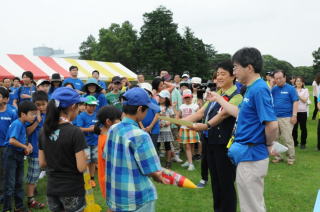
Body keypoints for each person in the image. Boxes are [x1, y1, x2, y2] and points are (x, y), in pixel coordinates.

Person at [207, 47, 278, 212]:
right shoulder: (251, 88)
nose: (234, 71)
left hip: (252, 156)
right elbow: (240, 113)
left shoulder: (259, 89)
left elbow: (272, 125)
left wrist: (268, 145)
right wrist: (218, 98)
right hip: (246, 156)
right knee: (251, 204)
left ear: (250, 67)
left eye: (236, 67)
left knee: (251, 207)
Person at [188, 60, 243, 210]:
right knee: (216, 183)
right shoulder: (216, 94)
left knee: (226, 183)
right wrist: (178, 121)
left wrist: (205, 125)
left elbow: (223, 115)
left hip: (224, 145)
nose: (219, 77)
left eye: (223, 74)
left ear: (233, 77)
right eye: (218, 74)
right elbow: (200, 112)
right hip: (210, 142)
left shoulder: (237, 96)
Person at [104, 87, 165, 212]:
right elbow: (152, 170)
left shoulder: (113, 129)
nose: (147, 113)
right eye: (146, 110)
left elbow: (106, 155)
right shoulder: (141, 135)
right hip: (137, 199)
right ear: (139, 109)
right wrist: (158, 176)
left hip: (116, 196)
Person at [38, 87, 88, 212]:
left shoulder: (43, 131)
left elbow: (42, 163)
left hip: (52, 188)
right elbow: (82, 167)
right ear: (73, 107)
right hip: (72, 189)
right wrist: (86, 157)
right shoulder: (75, 132)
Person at [2, 101, 37, 212]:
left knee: (19, 182)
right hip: (11, 155)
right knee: (10, 185)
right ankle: (7, 209)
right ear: (23, 114)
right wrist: (24, 147)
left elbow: (21, 139)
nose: (34, 116)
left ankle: (19, 207)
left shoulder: (23, 124)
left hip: (19, 155)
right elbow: (12, 141)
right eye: (32, 114)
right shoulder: (17, 124)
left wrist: (27, 145)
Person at [25, 91, 48, 209]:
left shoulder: (49, 115)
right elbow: (27, 132)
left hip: (47, 150)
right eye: (38, 105)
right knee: (32, 174)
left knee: (40, 172)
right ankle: (30, 198)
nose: (41, 107)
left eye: (43, 104)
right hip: (35, 151)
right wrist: (37, 122)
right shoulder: (31, 117)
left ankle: (34, 189)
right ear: (33, 104)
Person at [93, 106, 122, 198]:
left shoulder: (103, 135)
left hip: (106, 178)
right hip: (112, 180)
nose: (121, 123)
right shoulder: (109, 139)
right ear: (108, 122)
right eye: (119, 120)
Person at [271, 70, 298, 165]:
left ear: (285, 78)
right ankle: (278, 156)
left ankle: (291, 158)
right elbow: (267, 97)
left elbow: (295, 102)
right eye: (276, 78)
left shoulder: (290, 89)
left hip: (287, 117)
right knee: (275, 138)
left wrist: (294, 115)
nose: (278, 80)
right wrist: (271, 85)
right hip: (274, 117)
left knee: (287, 138)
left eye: (280, 78)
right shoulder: (273, 89)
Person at [76, 96, 99, 188]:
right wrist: (90, 129)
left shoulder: (97, 115)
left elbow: (100, 127)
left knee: (93, 161)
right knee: (86, 161)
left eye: (94, 105)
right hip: (85, 143)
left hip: (95, 142)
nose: (92, 107)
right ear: (85, 106)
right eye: (90, 105)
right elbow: (79, 129)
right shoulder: (81, 116)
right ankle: (85, 179)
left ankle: (92, 178)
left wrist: (97, 129)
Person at [0, 87, 18, 205]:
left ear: (6, 99)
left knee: (5, 171)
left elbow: (16, 129)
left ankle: (4, 194)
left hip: (6, 147)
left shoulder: (12, 112)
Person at [176, 89, 200, 171]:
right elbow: (178, 116)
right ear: (183, 98)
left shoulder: (195, 106)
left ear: (191, 97)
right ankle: (189, 162)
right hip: (184, 128)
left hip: (192, 128)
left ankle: (190, 163)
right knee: (187, 146)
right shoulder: (182, 106)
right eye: (185, 97)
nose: (187, 99)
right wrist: (179, 121)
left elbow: (199, 116)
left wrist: (194, 124)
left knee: (191, 146)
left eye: (188, 97)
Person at [139, 83, 161, 150]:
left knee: (153, 148)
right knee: (143, 147)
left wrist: (150, 126)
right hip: (142, 128)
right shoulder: (139, 102)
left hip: (154, 129)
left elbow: (157, 114)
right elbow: (137, 116)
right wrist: (142, 127)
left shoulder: (153, 101)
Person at [157, 90, 175, 168]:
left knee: (167, 145)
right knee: (157, 145)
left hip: (166, 129)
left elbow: (172, 117)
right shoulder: (156, 106)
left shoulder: (169, 108)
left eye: (162, 97)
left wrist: (169, 122)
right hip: (157, 129)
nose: (160, 98)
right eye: (159, 97)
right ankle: (156, 162)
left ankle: (168, 161)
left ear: (166, 99)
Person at [292, 76, 309, 149]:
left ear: (302, 83)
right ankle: (295, 142)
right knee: (294, 128)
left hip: (302, 112)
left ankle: (303, 143)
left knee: (303, 128)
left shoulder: (305, 90)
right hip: (294, 112)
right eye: (297, 81)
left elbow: (305, 100)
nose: (298, 82)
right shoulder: (292, 89)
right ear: (295, 82)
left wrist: (297, 95)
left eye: (300, 81)